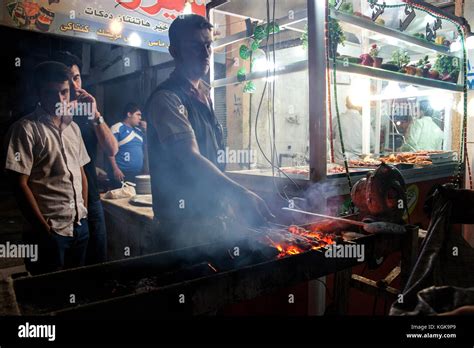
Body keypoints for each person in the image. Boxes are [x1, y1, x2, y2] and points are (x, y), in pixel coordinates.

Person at [144, 14, 273, 250]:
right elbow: (190, 158)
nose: (205, 54)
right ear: (175, 52)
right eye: (195, 47)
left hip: (211, 222)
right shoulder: (167, 99)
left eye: (208, 45)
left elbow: (212, 154)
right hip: (180, 228)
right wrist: (240, 193)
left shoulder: (204, 93)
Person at [4, 62, 90, 274]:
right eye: (51, 93)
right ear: (38, 93)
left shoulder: (74, 128)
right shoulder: (24, 129)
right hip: (49, 231)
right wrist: (43, 228)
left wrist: (84, 212)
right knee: (47, 294)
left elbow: (81, 173)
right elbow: (19, 184)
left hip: (79, 227)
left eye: (64, 92)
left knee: (75, 286)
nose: (60, 100)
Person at [53, 51, 118, 264]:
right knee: (68, 262)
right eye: (68, 78)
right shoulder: (49, 112)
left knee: (98, 255)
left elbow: (111, 149)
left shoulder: (86, 110)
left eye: (77, 77)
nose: (74, 85)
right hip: (61, 201)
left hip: (90, 196)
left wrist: (96, 114)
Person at [108, 103, 146, 187]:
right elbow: (109, 149)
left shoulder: (139, 131)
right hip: (122, 173)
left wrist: (146, 130)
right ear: (129, 114)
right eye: (138, 114)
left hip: (137, 173)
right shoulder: (117, 127)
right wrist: (115, 169)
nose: (140, 118)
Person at [333, 96, 374, 162]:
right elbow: (372, 143)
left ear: (346, 105)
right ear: (360, 106)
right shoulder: (364, 120)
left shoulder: (338, 118)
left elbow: (328, 136)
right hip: (358, 163)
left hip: (339, 162)